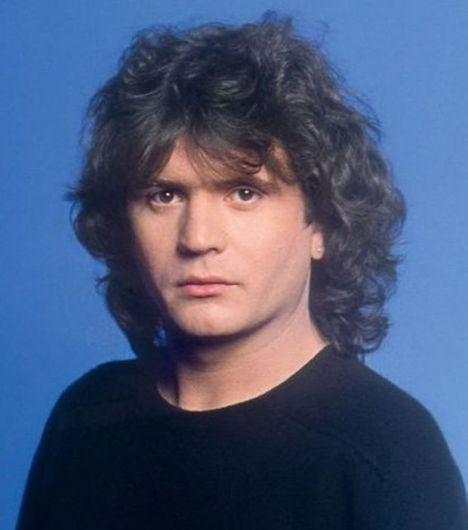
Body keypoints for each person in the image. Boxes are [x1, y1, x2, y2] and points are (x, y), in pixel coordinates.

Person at [16, 14, 467, 530]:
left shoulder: (390, 455)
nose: (197, 238)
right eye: (164, 196)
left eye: (244, 193)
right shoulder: (87, 415)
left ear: (321, 223)